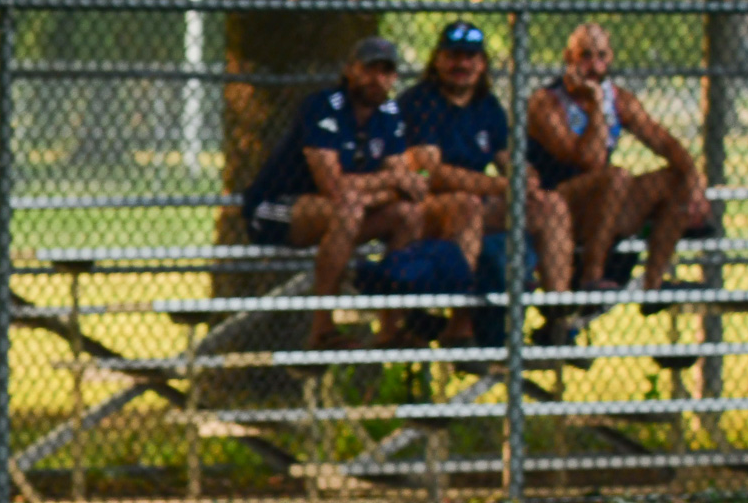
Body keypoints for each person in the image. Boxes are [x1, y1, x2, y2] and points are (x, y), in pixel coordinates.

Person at [241, 36, 480, 349]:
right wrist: (389, 183)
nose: (377, 79)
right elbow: (333, 184)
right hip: (276, 209)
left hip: (346, 209)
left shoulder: (389, 114)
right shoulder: (323, 106)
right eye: (369, 69)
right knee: (350, 207)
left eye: (386, 72)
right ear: (350, 70)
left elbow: (406, 185)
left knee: (406, 213)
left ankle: (391, 329)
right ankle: (322, 330)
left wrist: (389, 184)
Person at [398, 19, 574, 342]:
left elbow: (509, 161)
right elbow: (430, 172)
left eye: (470, 57)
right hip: (425, 206)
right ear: (437, 59)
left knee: (551, 205)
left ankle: (558, 314)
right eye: (453, 55)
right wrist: (500, 187)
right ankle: (460, 324)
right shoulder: (419, 102)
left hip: (480, 201)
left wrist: (527, 182)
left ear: (482, 64)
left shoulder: (487, 106)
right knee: (467, 207)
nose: (461, 64)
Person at [527, 22, 709, 296]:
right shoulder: (547, 102)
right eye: (585, 55)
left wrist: (694, 179)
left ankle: (654, 286)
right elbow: (589, 160)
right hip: (559, 205)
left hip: (608, 206)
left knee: (675, 179)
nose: (594, 64)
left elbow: (664, 142)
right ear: (569, 58)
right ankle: (592, 275)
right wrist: (597, 104)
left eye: (601, 56)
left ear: (610, 58)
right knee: (615, 176)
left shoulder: (621, 100)